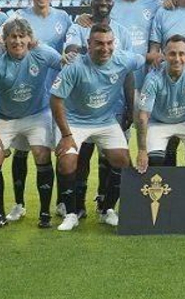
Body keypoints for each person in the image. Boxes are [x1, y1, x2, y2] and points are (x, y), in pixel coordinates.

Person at [0, 18, 64, 229]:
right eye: (12, 37)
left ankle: (44, 213)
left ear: (29, 38)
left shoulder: (41, 52)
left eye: (21, 36)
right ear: (4, 40)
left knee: (42, 155)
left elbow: (65, 65)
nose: (17, 41)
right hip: (4, 117)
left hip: (37, 114)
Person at [51, 24, 141, 229]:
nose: (105, 48)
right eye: (99, 43)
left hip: (105, 121)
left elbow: (147, 59)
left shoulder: (123, 59)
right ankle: (71, 213)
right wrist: (66, 135)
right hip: (74, 122)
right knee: (67, 161)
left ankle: (107, 209)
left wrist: (158, 58)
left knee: (123, 160)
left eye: (109, 43)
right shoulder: (74, 66)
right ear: (88, 45)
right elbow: (56, 100)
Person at [12, 0, 74, 208]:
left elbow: (72, 43)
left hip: (56, 96)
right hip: (27, 95)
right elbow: (1, 38)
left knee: (57, 150)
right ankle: (18, 204)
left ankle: (60, 201)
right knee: (21, 152)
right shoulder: (19, 17)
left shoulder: (63, 17)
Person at [137, 36, 185, 165]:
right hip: (160, 122)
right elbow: (143, 115)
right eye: (172, 54)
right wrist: (141, 151)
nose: (177, 59)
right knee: (154, 161)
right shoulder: (153, 78)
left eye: (182, 54)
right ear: (164, 55)